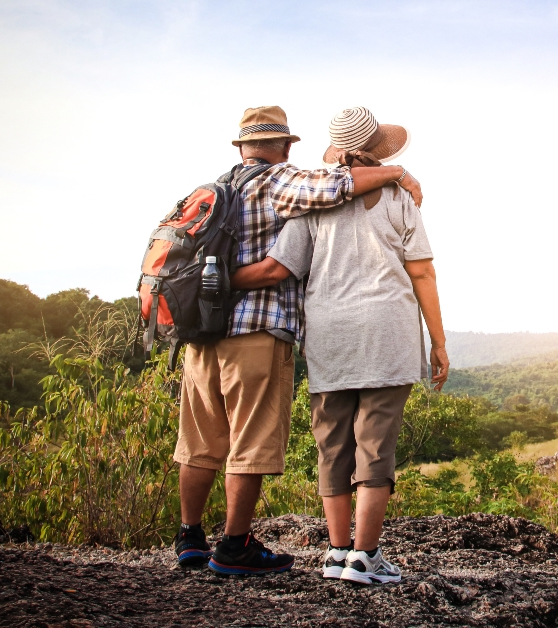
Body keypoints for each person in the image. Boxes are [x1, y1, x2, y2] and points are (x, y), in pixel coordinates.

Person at [172, 105, 425, 575]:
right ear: (286, 146)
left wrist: (209, 284)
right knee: (250, 441)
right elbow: (337, 187)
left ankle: (189, 538)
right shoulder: (281, 182)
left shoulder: (215, 188)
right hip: (254, 330)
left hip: (201, 332)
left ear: (242, 146)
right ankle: (234, 546)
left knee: (200, 441)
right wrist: (399, 172)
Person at [231, 106, 448, 585]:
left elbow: (281, 267)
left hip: (329, 336)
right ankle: (366, 559)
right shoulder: (398, 196)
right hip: (387, 332)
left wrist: (213, 283)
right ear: (379, 149)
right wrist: (438, 340)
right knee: (375, 445)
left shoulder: (315, 203)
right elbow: (422, 272)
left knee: (332, 446)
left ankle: (336, 553)